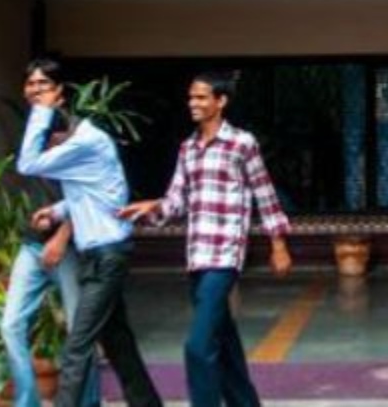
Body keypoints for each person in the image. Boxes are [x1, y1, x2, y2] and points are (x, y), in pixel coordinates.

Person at [120, 71, 292, 407]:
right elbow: (177, 200)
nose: (193, 103)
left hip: (225, 257)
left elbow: (265, 193)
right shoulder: (188, 148)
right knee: (224, 345)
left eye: (200, 97)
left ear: (221, 101)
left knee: (198, 347)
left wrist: (279, 244)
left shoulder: (241, 143)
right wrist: (153, 207)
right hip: (197, 256)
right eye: (190, 97)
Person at [16, 58, 162, 407]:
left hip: (106, 257)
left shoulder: (86, 142)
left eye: (52, 140)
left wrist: (40, 112)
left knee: (77, 346)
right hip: (102, 254)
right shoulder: (84, 143)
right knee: (119, 343)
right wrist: (57, 211)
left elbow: (27, 163)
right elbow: (95, 195)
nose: (52, 148)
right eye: (31, 85)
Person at [1, 59, 100, 407]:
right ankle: (27, 401)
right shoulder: (31, 129)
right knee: (11, 325)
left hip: (69, 247)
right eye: (31, 84)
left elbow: (89, 192)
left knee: (78, 331)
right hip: (31, 246)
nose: (35, 90)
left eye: (43, 84)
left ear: (60, 92)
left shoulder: (74, 133)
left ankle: (87, 403)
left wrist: (62, 236)